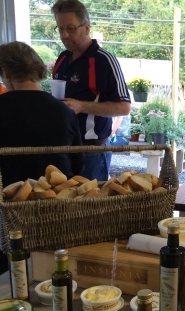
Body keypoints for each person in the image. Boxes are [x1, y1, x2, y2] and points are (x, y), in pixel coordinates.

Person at [0, 41, 84, 275]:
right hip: (55, 213)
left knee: (10, 278)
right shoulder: (64, 111)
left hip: (9, 214)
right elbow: (78, 166)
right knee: (53, 273)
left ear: (6, 73)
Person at [51, 0, 131, 181]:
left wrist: (81, 106)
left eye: (70, 28)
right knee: (64, 207)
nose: (64, 35)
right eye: (60, 28)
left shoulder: (104, 60)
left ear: (86, 28)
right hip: (63, 148)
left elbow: (124, 107)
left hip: (92, 151)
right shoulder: (62, 58)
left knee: (91, 208)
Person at [0, 41, 84, 187]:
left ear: (6, 74)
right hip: (56, 197)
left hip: (11, 198)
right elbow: (78, 163)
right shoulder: (64, 110)